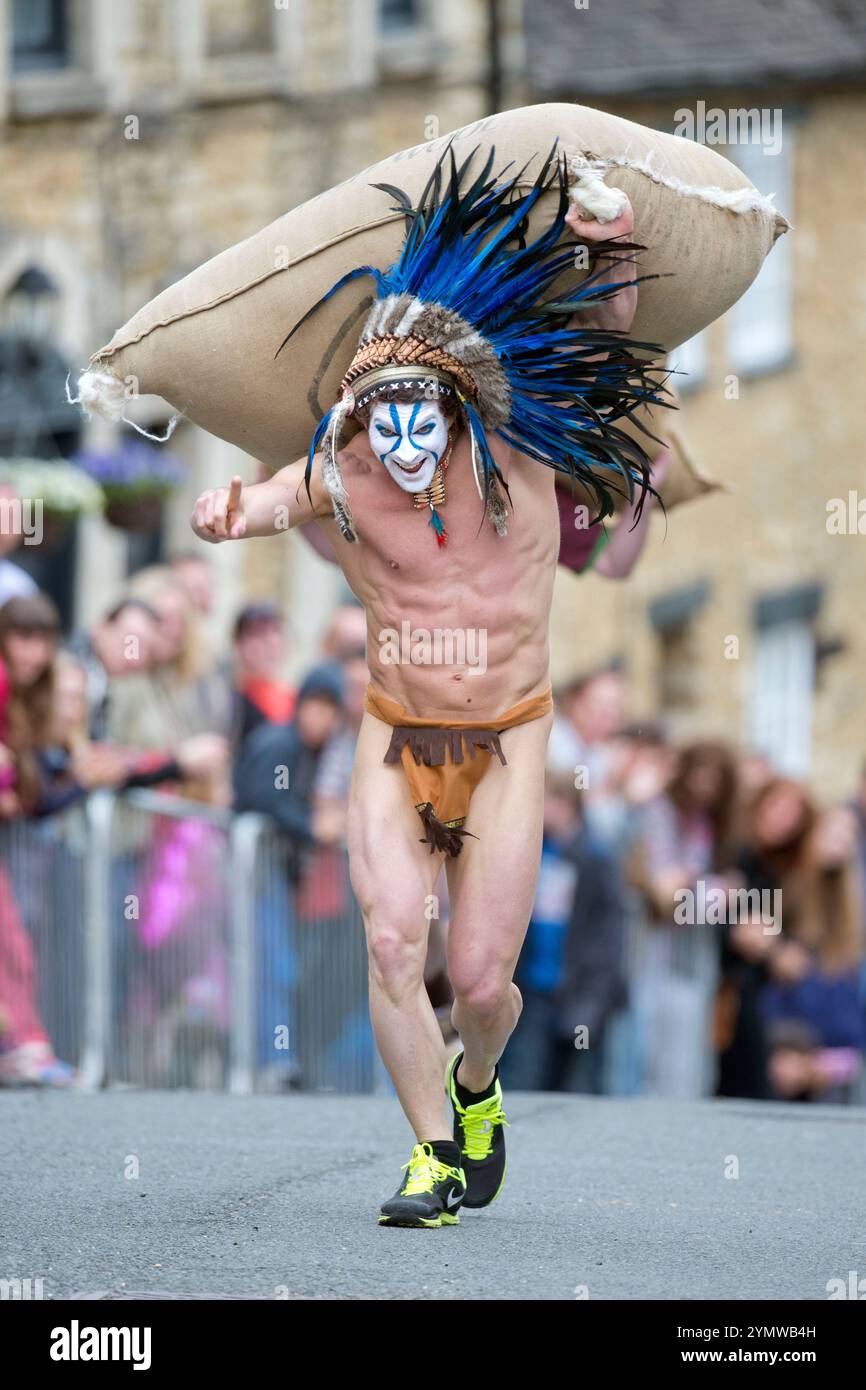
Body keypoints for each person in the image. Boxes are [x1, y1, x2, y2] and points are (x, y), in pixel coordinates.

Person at [191, 148, 665, 1227]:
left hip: (507, 739)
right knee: (395, 940)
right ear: (359, 417)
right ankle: (431, 1158)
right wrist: (220, 512)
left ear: (452, 407)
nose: (400, 441)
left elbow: (603, 333)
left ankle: (476, 1084)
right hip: (394, 735)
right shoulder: (342, 475)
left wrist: (605, 240)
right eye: (379, 418)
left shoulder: (522, 445)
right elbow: (261, 500)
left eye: (420, 416)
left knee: (485, 982)